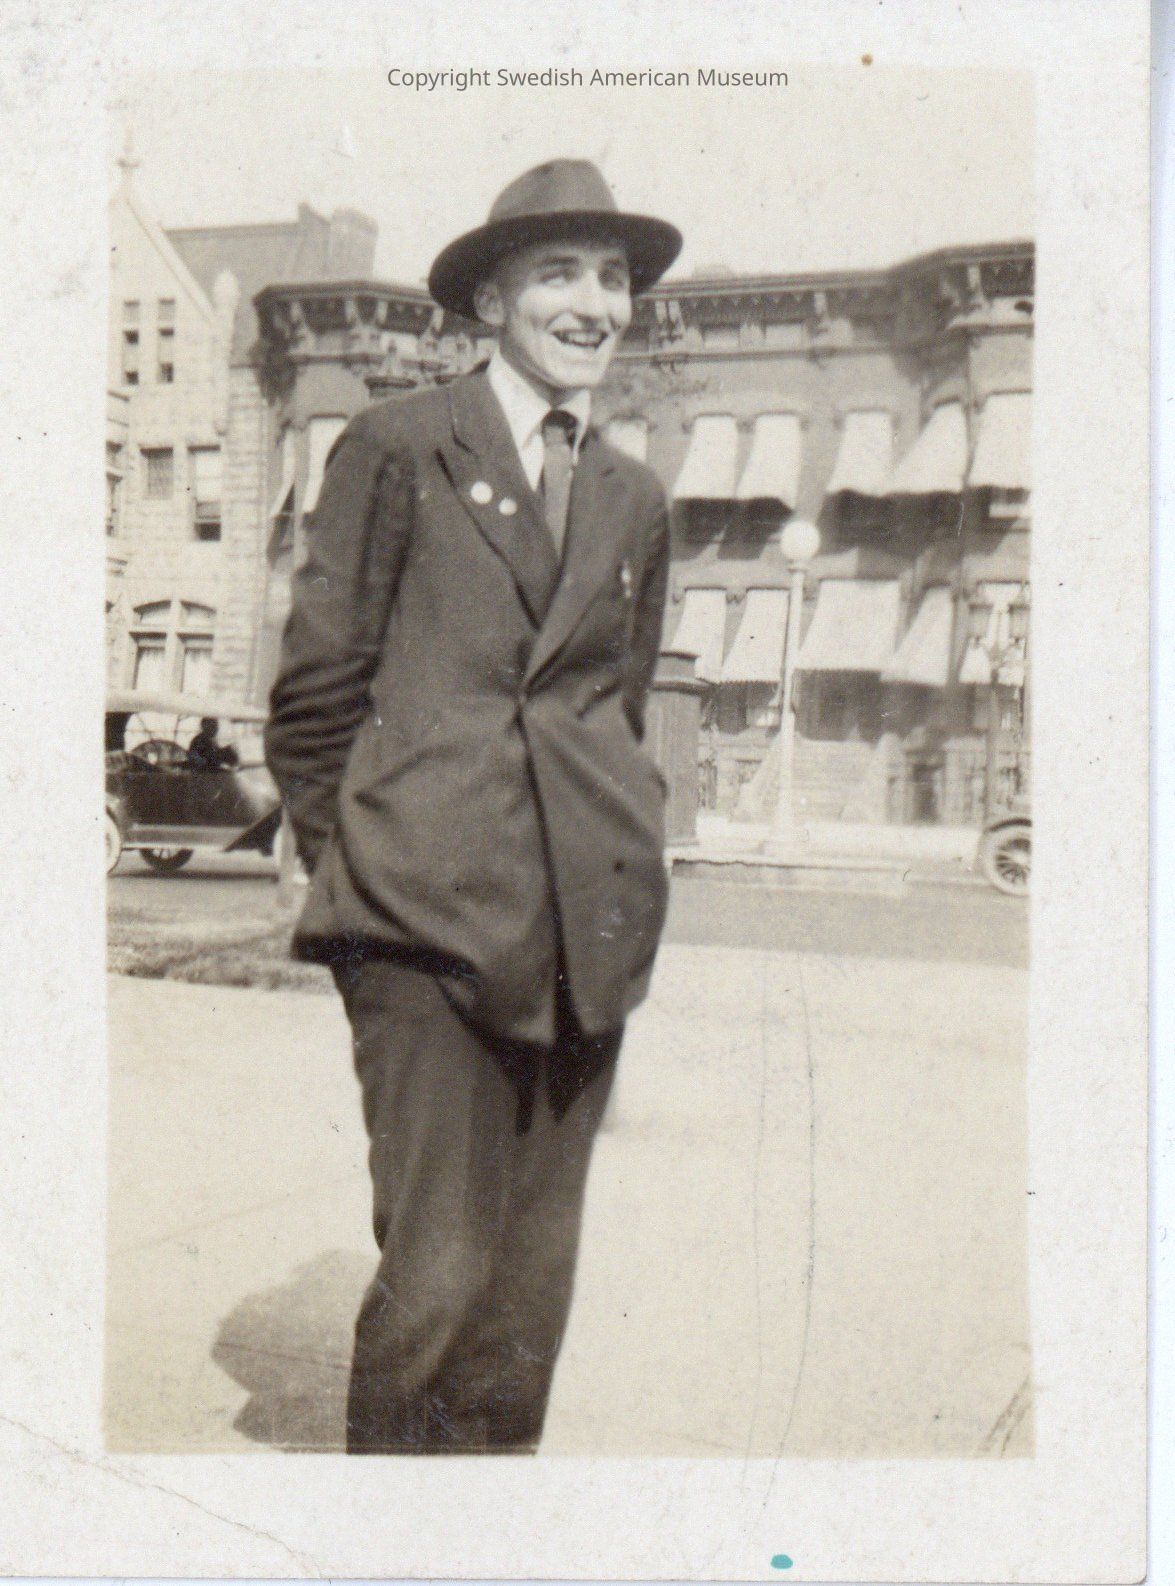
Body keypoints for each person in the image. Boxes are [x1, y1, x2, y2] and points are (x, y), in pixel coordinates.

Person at [265, 159, 682, 1454]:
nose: (594, 303)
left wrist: (628, 851)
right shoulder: (401, 445)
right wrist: (370, 866)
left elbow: (616, 706)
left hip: (584, 939)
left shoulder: (632, 494)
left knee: (524, 1305)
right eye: (560, 273)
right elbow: (316, 696)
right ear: (492, 300)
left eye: (612, 277)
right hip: (423, 932)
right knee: (438, 1278)